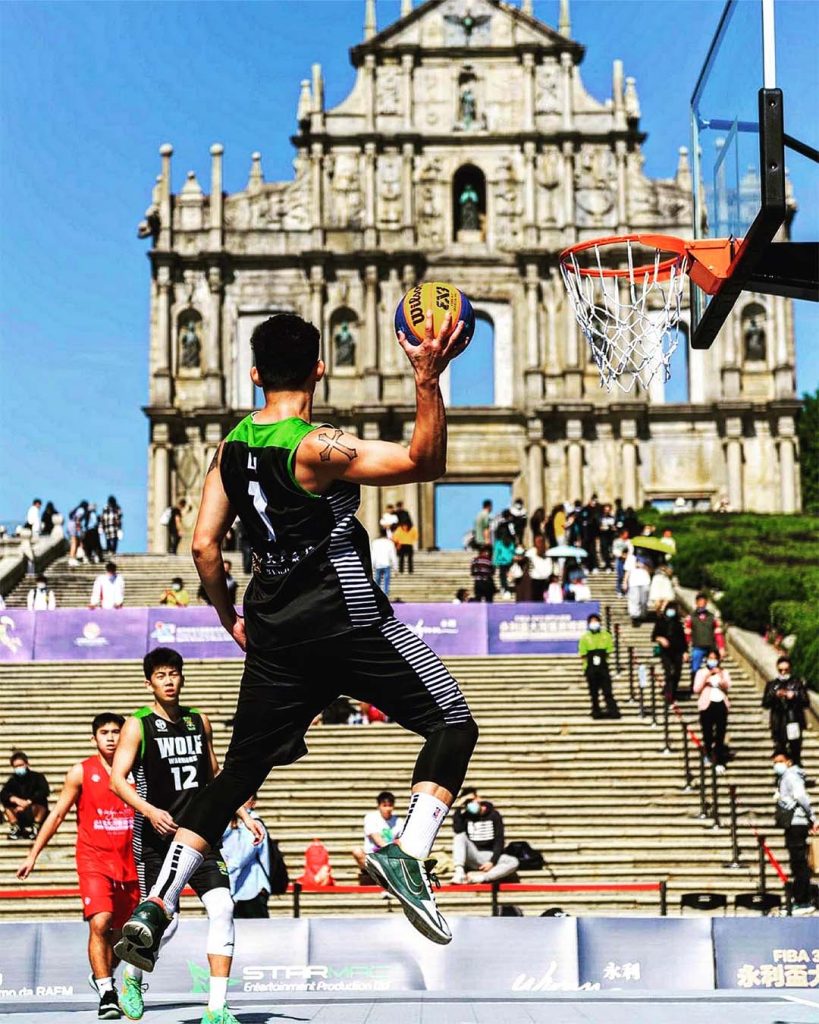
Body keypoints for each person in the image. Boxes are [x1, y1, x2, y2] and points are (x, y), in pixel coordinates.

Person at [116, 309, 478, 970]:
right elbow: (423, 460)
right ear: (320, 367)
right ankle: (409, 850)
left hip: (274, 630)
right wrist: (428, 380)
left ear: (253, 374)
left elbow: (203, 547)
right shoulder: (316, 446)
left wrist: (229, 617)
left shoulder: (229, 449)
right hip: (346, 619)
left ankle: (158, 903)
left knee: (236, 778)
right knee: (451, 722)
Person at [111, 647, 262, 1024]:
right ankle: (131, 975)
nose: (170, 681)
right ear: (149, 683)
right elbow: (117, 780)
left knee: (224, 907)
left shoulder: (199, 721)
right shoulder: (138, 724)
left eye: (174, 673)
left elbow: (215, 777)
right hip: (157, 838)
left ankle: (216, 1008)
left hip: (201, 834)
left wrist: (243, 812)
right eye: (161, 675)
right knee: (168, 920)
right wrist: (148, 809)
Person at [16, 714, 139, 1021]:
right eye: (104, 732)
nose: (110, 737)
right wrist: (33, 854)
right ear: (93, 738)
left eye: (116, 732)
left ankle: (103, 976)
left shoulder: (139, 769)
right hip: (93, 859)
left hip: (132, 863)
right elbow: (56, 815)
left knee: (122, 934)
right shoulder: (81, 772)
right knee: (100, 922)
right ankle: (108, 994)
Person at [773, 754, 818, 916]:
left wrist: (813, 818)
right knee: (796, 861)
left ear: (788, 762)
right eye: (774, 762)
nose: (776, 765)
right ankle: (800, 897)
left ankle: (802, 900)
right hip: (794, 822)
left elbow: (801, 796)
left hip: (796, 822)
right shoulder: (787, 777)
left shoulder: (791, 776)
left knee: (799, 862)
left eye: (779, 761)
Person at [451, 786, 519, 884]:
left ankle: (480, 878)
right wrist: (458, 806)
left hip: (488, 855)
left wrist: (492, 861)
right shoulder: (466, 816)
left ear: (478, 798)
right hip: (472, 855)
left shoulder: (494, 815)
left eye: (471, 800)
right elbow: (457, 830)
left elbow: (499, 840)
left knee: (513, 862)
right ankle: (459, 873)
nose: (470, 804)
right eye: (467, 802)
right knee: (459, 836)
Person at [221, 795, 271, 919]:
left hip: (252, 890)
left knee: (258, 933)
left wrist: (223, 871)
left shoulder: (253, 822)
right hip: (237, 890)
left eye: (245, 799)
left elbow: (242, 856)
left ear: (253, 803)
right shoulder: (234, 824)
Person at [762, 656, 809, 764]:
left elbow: (806, 702)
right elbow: (765, 703)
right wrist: (775, 695)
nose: (783, 673)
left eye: (786, 670)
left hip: (793, 721)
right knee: (779, 750)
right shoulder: (772, 685)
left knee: (795, 749)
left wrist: (795, 695)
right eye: (780, 670)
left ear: (790, 669)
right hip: (778, 722)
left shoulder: (797, 683)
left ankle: (796, 771)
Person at [692, 648, 731, 772]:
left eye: (715, 658)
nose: (712, 661)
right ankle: (708, 753)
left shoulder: (723, 672)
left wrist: (719, 677)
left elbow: (728, 686)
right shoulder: (701, 672)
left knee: (720, 733)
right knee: (707, 732)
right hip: (707, 705)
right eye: (710, 658)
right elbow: (696, 689)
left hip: (720, 704)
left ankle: (719, 759)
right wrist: (707, 676)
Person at [352, 790, 404, 881]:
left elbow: (401, 841)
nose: (387, 808)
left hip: (390, 858)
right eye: (384, 805)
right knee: (357, 851)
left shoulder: (399, 821)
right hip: (373, 857)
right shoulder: (371, 818)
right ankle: (372, 871)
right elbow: (378, 840)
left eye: (390, 805)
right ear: (379, 806)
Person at [578, 613, 621, 719]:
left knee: (607, 691)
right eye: (592, 622)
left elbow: (609, 650)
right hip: (590, 667)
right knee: (593, 692)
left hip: (603, 667)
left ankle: (613, 711)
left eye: (596, 621)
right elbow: (582, 654)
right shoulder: (585, 637)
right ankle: (596, 711)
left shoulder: (606, 635)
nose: (594, 624)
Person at [1, 752, 49, 840]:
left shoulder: (37, 777)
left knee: (41, 801)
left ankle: (36, 827)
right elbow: (3, 794)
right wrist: (14, 800)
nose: (19, 768)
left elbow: (44, 791)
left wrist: (28, 802)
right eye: (16, 766)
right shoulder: (12, 780)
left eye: (21, 765)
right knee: (7, 803)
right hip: (19, 812)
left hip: (34, 810)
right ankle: (16, 828)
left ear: (26, 764)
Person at [651, 602, 688, 703]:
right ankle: (668, 695)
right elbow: (654, 636)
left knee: (677, 673)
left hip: (677, 652)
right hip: (666, 652)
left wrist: (685, 652)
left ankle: (672, 691)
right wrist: (661, 639)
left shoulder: (678, 623)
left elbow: (683, 640)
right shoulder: (660, 621)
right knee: (669, 673)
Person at [684, 594, 725, 683]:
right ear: (696, 602)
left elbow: (718, 633)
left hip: (711, 647)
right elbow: (687, 634)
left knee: (714, 666)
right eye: (700, 601)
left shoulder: (712, 617)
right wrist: (685, 650)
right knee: (695, 667)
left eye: (703, 601)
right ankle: (695, 684)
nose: (702, 603)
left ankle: (715, 683)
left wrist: (721, 647)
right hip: (698, 646)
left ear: (706, 603)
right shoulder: (690, 617)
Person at [623, 552, 651, 625]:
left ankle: (643, 615)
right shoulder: (630, 558)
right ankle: (635, 616)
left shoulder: (647, 557)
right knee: (634, 600)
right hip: (633, 582)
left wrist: (644, 566)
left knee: (644, 600)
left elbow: (651, 570)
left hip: (645, 581)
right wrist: (625, 582)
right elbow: (627, 571)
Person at [524, 535, 553, 602]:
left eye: (540, 542)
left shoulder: (547, 553)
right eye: (537, 542)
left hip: (544, 579)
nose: (538, 543)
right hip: (535, 579)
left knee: (543, 598)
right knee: (535, 598)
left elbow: (550, 565)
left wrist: (547, 574)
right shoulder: (532, 551)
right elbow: (525, 556)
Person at [371, 526, 398, 595]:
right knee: (386, 583)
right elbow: (393, 556)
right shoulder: (390, 543)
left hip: (378, 565)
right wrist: (396, 568)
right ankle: (385, 597)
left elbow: (373, 555)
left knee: (377, 582)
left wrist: (371, 565)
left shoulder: (375, 542)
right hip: (386, 564)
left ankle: (377, 597)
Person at [492, 527, 516, 597]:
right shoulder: (511, 542)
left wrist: (494, 563)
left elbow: (496, 553)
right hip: (509, 561)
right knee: (507, 576)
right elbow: (513, 551)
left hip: (502, 562)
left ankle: (505, 588)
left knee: (502, 577)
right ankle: (507, 588)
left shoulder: (498, 543)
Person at [612, 529, 631, 596]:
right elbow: (615, 551)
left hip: (627, 559)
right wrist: (621, 555)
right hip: (620, 560)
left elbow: (631, 550)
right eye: (625, 534)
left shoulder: (629, 541)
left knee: (627, 576)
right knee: (620, 576)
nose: (627, 535)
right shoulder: (616, 542)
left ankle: (627, 591)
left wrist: (627, 555)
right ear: (621, 534)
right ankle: (619, 590)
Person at [598, 504, 615, 570]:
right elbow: (598, 526)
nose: (607, 511)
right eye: (605, 510)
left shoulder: (612, 518)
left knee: (609, 551)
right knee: (603, 550)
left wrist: (612, 527)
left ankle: (609, 564)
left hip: (610, 536)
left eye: (608, 510)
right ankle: (606, 563)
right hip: (603, 536)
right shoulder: (600, 518)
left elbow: (614, 527)